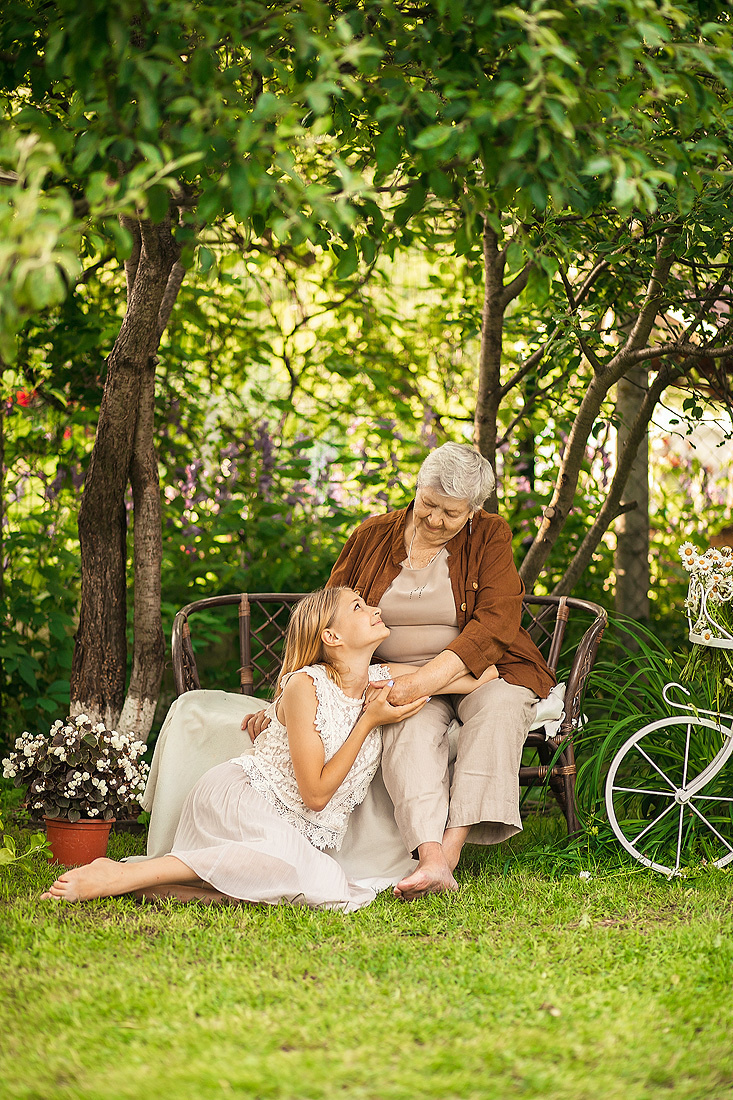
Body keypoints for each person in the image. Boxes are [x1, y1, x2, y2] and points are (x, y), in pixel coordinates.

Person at [41, 586, 496, 909]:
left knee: (315, 886)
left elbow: (484, 675)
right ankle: (123, 873)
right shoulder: (305, 686)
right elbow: (316, 795)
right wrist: (370, 721)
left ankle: (141, 886)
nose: (374, 608)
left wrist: (414, 683)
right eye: (358, 606)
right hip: (243, 799)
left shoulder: (380, 679)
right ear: (331, 637)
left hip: (297, 826)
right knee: (318, 884)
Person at [246, 443, 556, 901]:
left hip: (487, 667)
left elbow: (496, 623)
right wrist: (283, 704)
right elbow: (324, 618)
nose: (433, 520)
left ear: (473, 511)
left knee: (500, 711)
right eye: (428, 504)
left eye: (450, 514)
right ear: (417, 487)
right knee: (406, 730)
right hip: (391, 671)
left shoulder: (490, 535)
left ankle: (445, 860)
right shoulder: (374, 535)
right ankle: (427, 856)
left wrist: (418, 682)